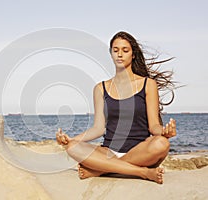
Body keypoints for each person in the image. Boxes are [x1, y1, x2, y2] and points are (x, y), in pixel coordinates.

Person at [56, 31, 176, 184]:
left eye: (125, 50)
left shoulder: (147, 84)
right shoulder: (100, 88)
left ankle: (100, 169)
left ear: (133, 54)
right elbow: (98, 129)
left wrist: (165, 132)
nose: (120, 54)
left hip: (140, 151)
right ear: (111, 54)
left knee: (162, 143)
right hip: (109, 152)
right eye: (115, 50)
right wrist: (71, 140)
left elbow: (154, 126)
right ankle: (142, 172)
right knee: (73, 147)